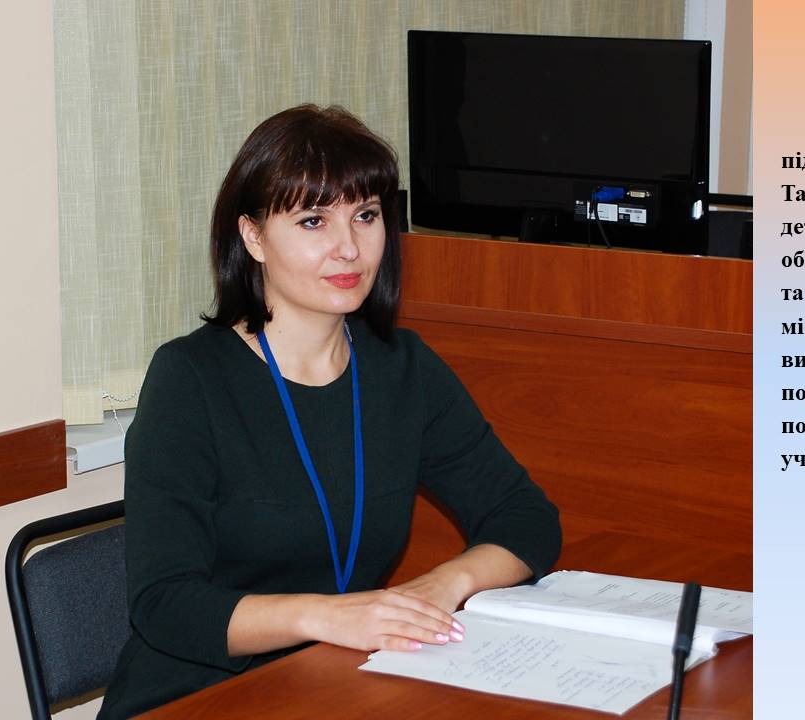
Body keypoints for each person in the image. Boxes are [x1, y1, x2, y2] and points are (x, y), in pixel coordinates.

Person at [99, 105, 561, 718]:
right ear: (253, 237)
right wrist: (328, 616)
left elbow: (527, 520)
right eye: (314, 221)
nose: (349, 248)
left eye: (366, 216)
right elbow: (165, 604)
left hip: (336, 682)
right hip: (197, 697)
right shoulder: (190, 379)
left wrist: (443, 585)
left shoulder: (402, 368)